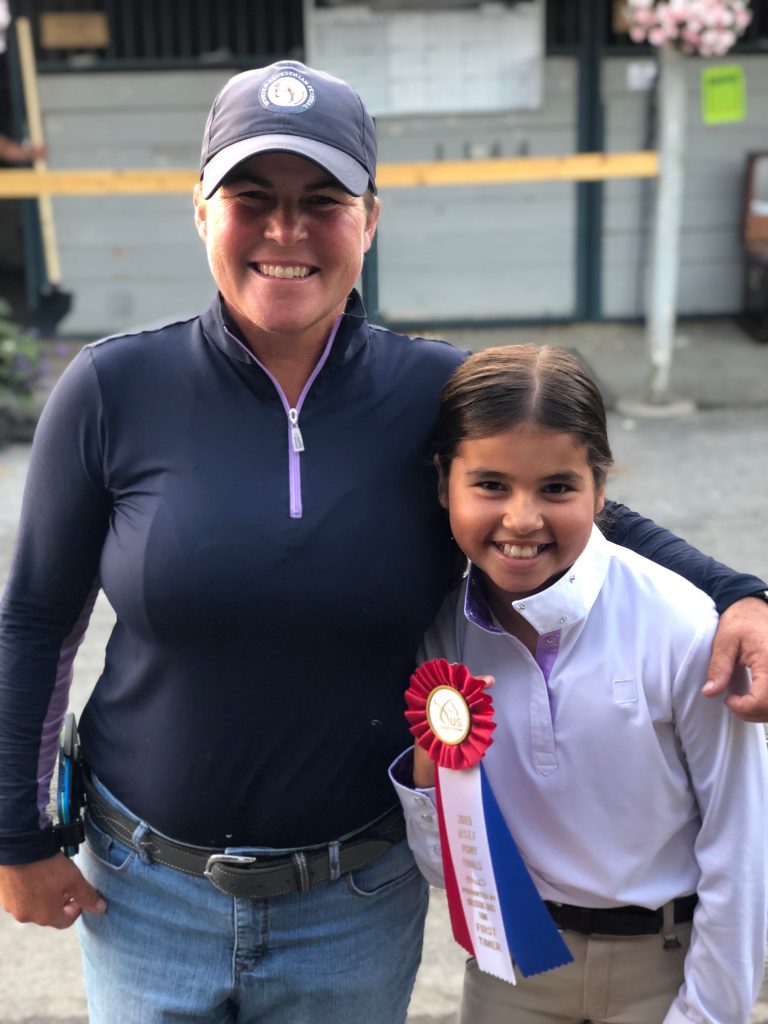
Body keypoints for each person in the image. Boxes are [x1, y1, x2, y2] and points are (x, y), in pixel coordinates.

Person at [0, 59, 765, 1024]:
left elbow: (577, 516)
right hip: (147, 893)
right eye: (252, 197)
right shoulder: (113, 390)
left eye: (323, 200)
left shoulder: (430, 395)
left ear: (370, 217)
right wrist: (15, 835)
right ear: (201, 210)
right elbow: (34, 618)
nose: (286, 231)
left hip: (353, 904)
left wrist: (744, 594)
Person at [390, 344, 768, 1024]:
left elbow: (743, 849)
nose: (523, 519)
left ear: (601, 489)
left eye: (557, 488)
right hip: (515, 972)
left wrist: (709, 1013)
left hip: (668, 972)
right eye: (491, 485)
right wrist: (428, 780)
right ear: (446, 482)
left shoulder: (684, 629)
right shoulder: (444, 634)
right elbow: (450, 869)